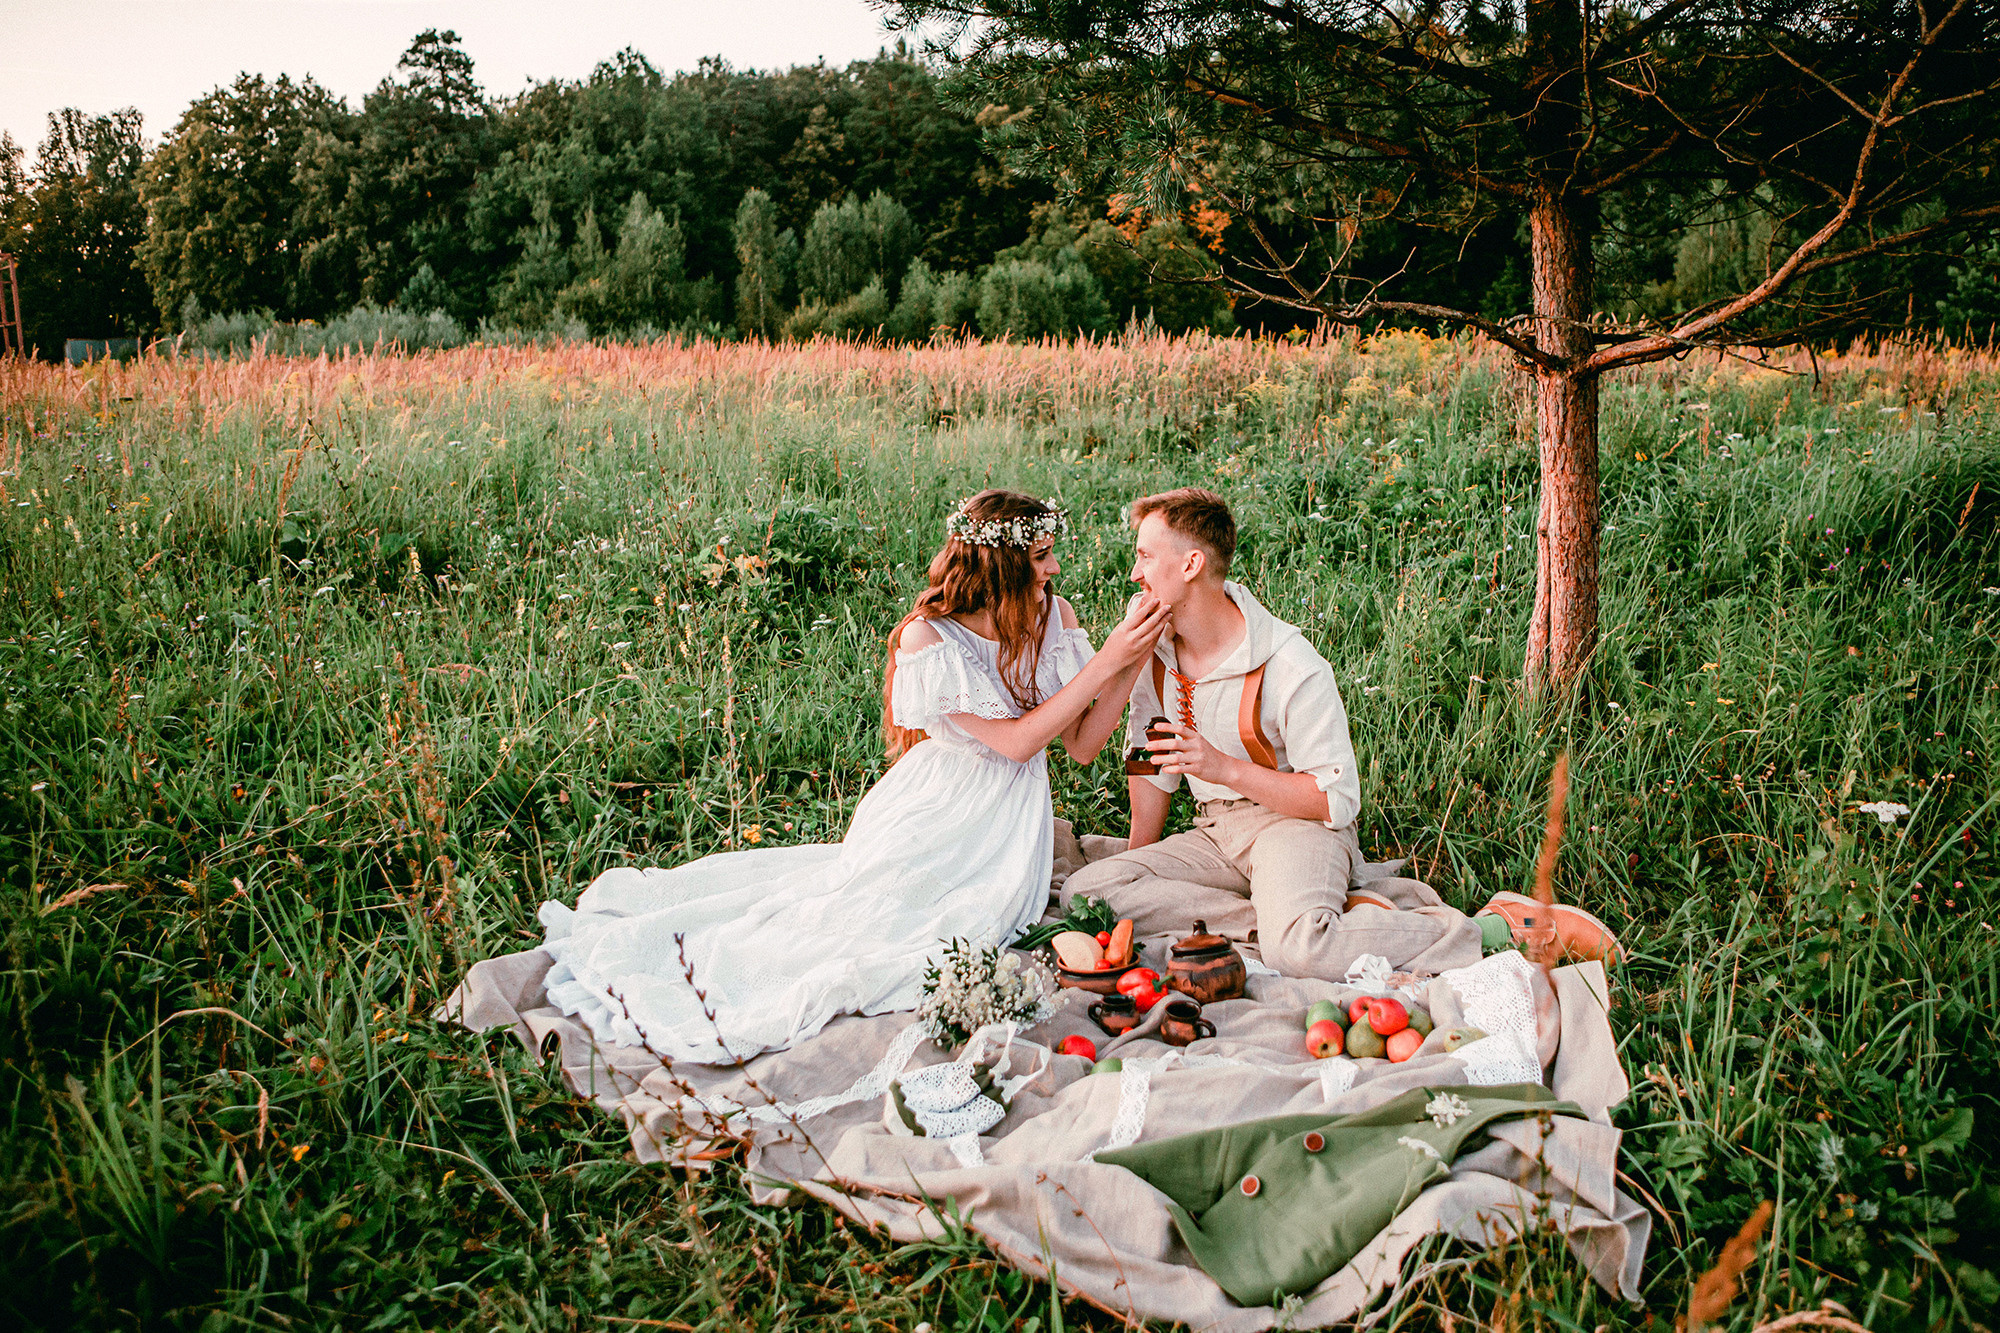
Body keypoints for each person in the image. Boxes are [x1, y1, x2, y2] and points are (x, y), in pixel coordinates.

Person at [533, 489, 1171, 1064]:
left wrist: (1128, 662)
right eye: (1039, 555)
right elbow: (1014, 743)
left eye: (1051, 552)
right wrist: (1107, 660)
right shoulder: (929, 638)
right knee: (864, 929)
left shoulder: (1052, 618)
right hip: (935, 810)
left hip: (1008, 825)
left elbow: (1083, 746)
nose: (1053, 567)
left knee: (958, 926)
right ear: (1000, 564)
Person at [1061, 488, 1486, 980]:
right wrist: (1141, 870)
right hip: (1216, 833)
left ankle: (1481, 930)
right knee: (1087, 896)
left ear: (1191, 564)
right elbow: (1150, 764)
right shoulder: (1157, 650)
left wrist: (1223, 768)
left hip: (1294, 826)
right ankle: (1294, 917)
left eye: (1146, 556)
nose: (1135, 574)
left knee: (1301, 952)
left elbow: (1334, 800)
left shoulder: (1291, 664)